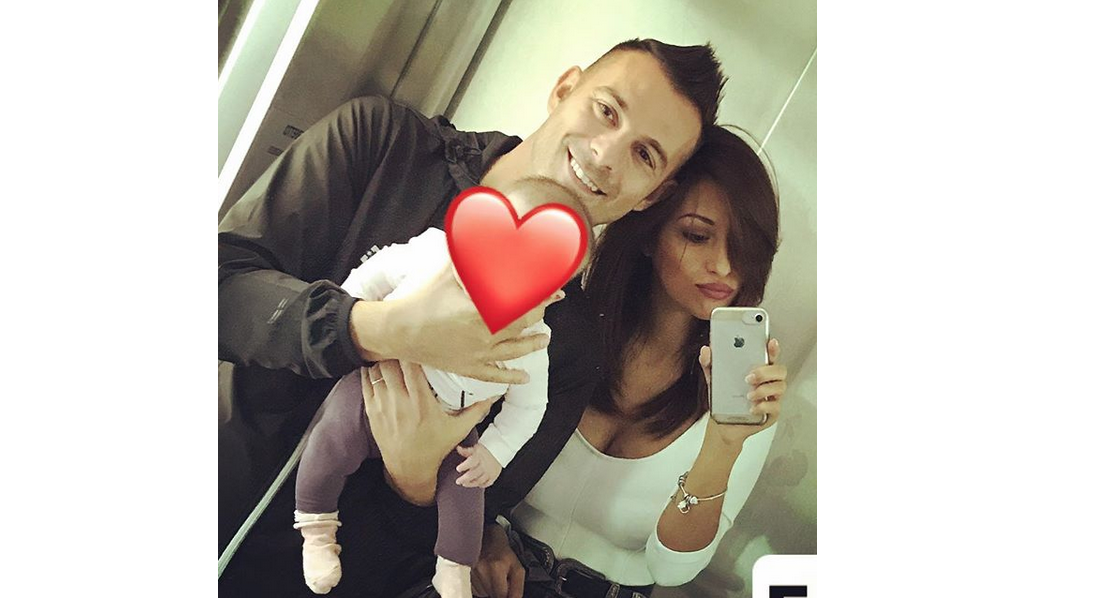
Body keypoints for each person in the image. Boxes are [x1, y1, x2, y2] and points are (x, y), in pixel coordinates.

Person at [218, 38, 725, 598]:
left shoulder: (569, 346)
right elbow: (225, 284)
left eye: (645, 155)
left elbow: (465, 531)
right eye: (606, 110)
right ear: (564, 90)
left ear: (653, 195)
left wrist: (414, 477)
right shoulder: (383, 143)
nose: (607, 155)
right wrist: (375, 328)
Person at [467, 125, 787, 598]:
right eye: (697, 235)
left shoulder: (747, 389)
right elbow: (469, 442)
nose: (723, 265)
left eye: (742, 245)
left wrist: (723, 445)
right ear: (649, 234)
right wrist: (480, 530)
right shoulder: (561, 327)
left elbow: (672, 569)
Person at [292, 177, 594, 597]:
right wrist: (350, 320)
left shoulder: (531, 340)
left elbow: (529, 406)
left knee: (468, 492)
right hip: (373, 385)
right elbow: (377, 273)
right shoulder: (433, 255)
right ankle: (317, 530)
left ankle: (453, 570)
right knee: (329, 440)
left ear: (552, 296)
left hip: (452, 431)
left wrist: (494, 452)